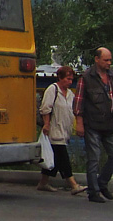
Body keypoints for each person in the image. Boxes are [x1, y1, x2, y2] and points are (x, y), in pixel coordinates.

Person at [74, 47, 113, 203]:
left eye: (110, 60)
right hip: (93, 124)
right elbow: (78, 102)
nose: (109, 63)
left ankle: (102, 183)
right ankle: (93, 191)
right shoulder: (87, 77)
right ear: (97, 59)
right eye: (106, 60)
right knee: (94, 158)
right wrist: (79, 123)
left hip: (110, 124)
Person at [36, 66, 86, 195]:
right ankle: (73, 184)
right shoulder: (53, 90)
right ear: (60, 78)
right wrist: (46, 124)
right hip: (53, 129)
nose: (70, 82)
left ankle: (43, 182)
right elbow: (45, 108)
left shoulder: (70, 94)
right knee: (62, 157)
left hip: (65, 130)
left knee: (55, 158)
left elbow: (75, 110)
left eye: (71, 79)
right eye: (67, 79)